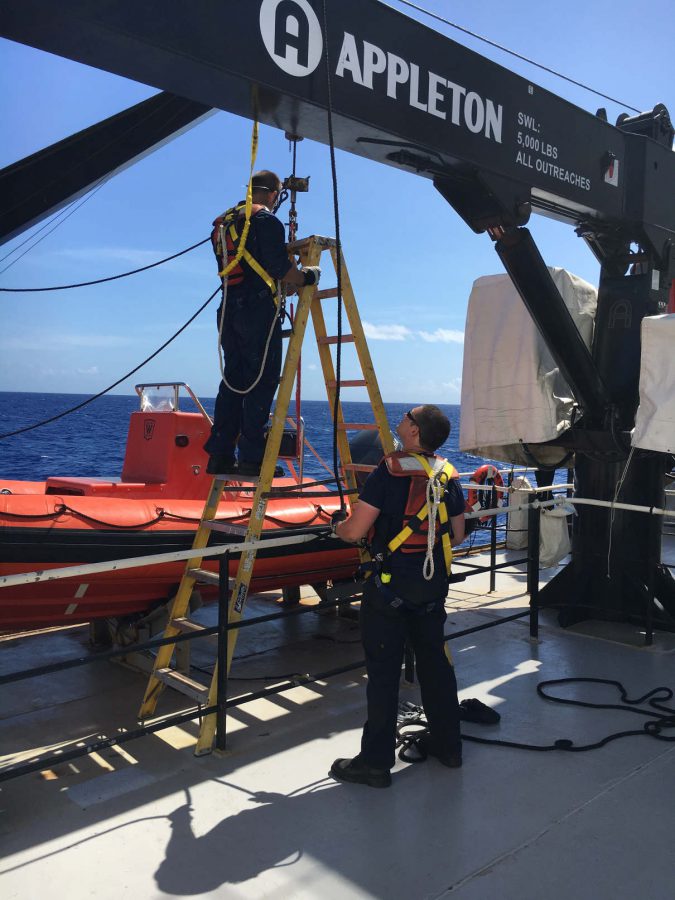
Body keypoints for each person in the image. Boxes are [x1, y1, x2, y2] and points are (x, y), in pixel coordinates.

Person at [329, 405, 466, 788]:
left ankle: (375, 763)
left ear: (415, 431)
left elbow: (355, 532)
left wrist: (337, 526)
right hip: (432, 588)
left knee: (384, 675)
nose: (401, 419)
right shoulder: (448, 474)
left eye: (407, 416)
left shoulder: (388, 472)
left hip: (390, 590)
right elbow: (457, 535)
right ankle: (449, 747)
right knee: (436, 667)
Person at [203, 170, 320, 476]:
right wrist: (306, 277)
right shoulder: (266, 221)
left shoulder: (224, 224)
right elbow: (280, 268)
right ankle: (252, 459)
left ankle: (219, 455)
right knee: (262, 382)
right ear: (272, 194)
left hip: (228, 311)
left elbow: (247, 266)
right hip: (256, 312)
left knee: (233, 383)